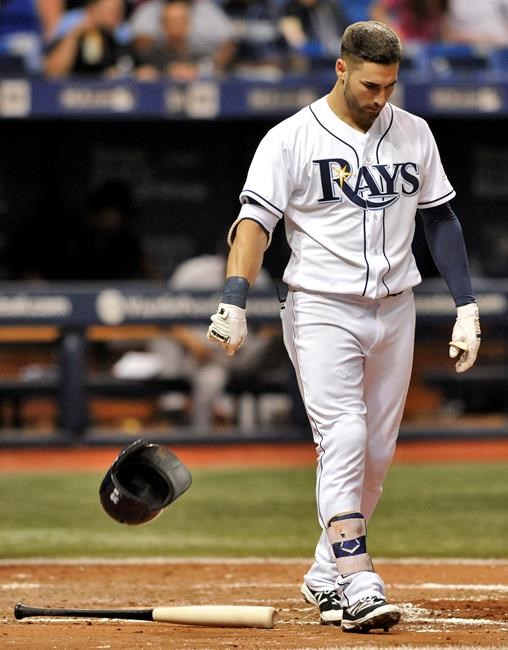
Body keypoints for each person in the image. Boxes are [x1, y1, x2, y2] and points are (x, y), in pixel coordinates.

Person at [206, 20, 481, 633]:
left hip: (396, 305)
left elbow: (440, 217)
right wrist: (234, 296)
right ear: (340, 68)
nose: (379, 97)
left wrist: (466, 302)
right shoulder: (290, 139)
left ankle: (324, 574)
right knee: (345, 437)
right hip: (320, 306)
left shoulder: (415, 131)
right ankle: (358, 578)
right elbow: (255, 224)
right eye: (368, 84)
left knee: (376, 455)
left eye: (388, 85)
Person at [42, 0, 134, 78]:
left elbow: (130, 66)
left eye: (120, 10)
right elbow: (53, 72)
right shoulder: (71, 27)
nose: (118, 15)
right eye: (112, 11)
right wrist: (75, 35)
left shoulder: (122, 34)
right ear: (93, 9)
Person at [369, 0, 448, 45]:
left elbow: (444, 29)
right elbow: (377, 10)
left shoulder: (444, 4)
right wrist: (393, 32)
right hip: (404, 47)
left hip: (429, 47)